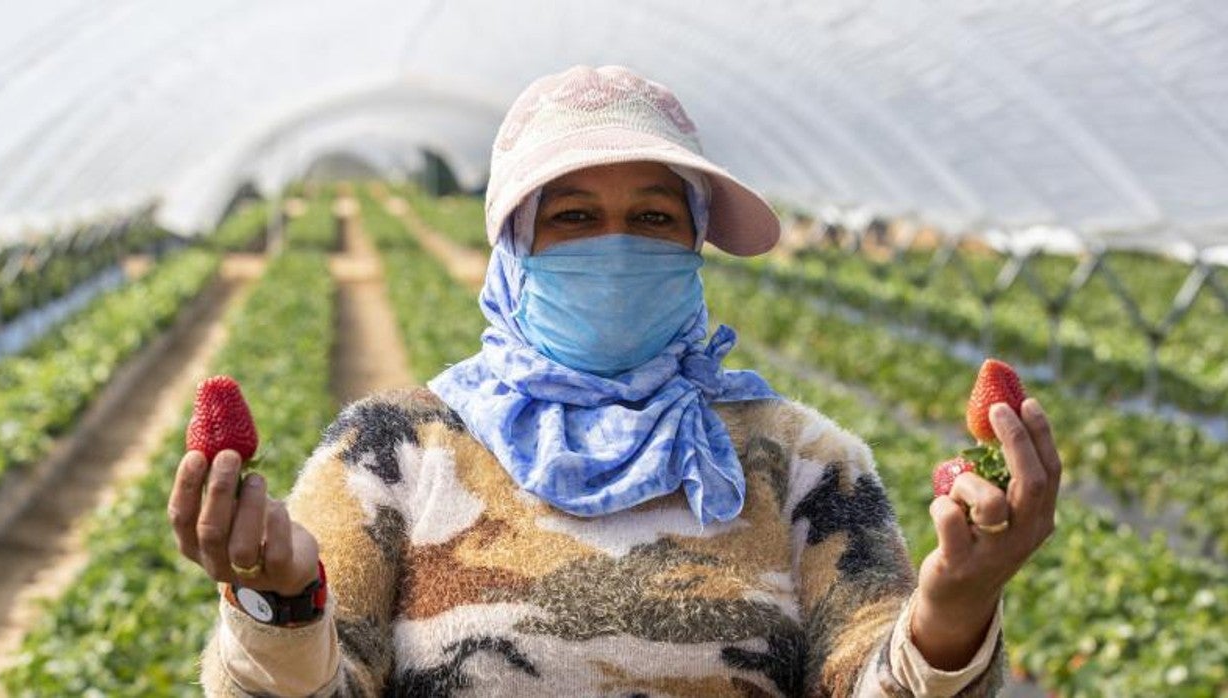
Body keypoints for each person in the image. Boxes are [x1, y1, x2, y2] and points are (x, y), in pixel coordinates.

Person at [168, 65, 1060, 697]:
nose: (618, 242)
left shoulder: (803, 463)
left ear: (693, 243)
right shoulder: (389, 455)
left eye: (653, 216)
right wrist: (278, 599)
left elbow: (871, 679)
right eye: (575, 217)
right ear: (515, 248)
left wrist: (954, 606)